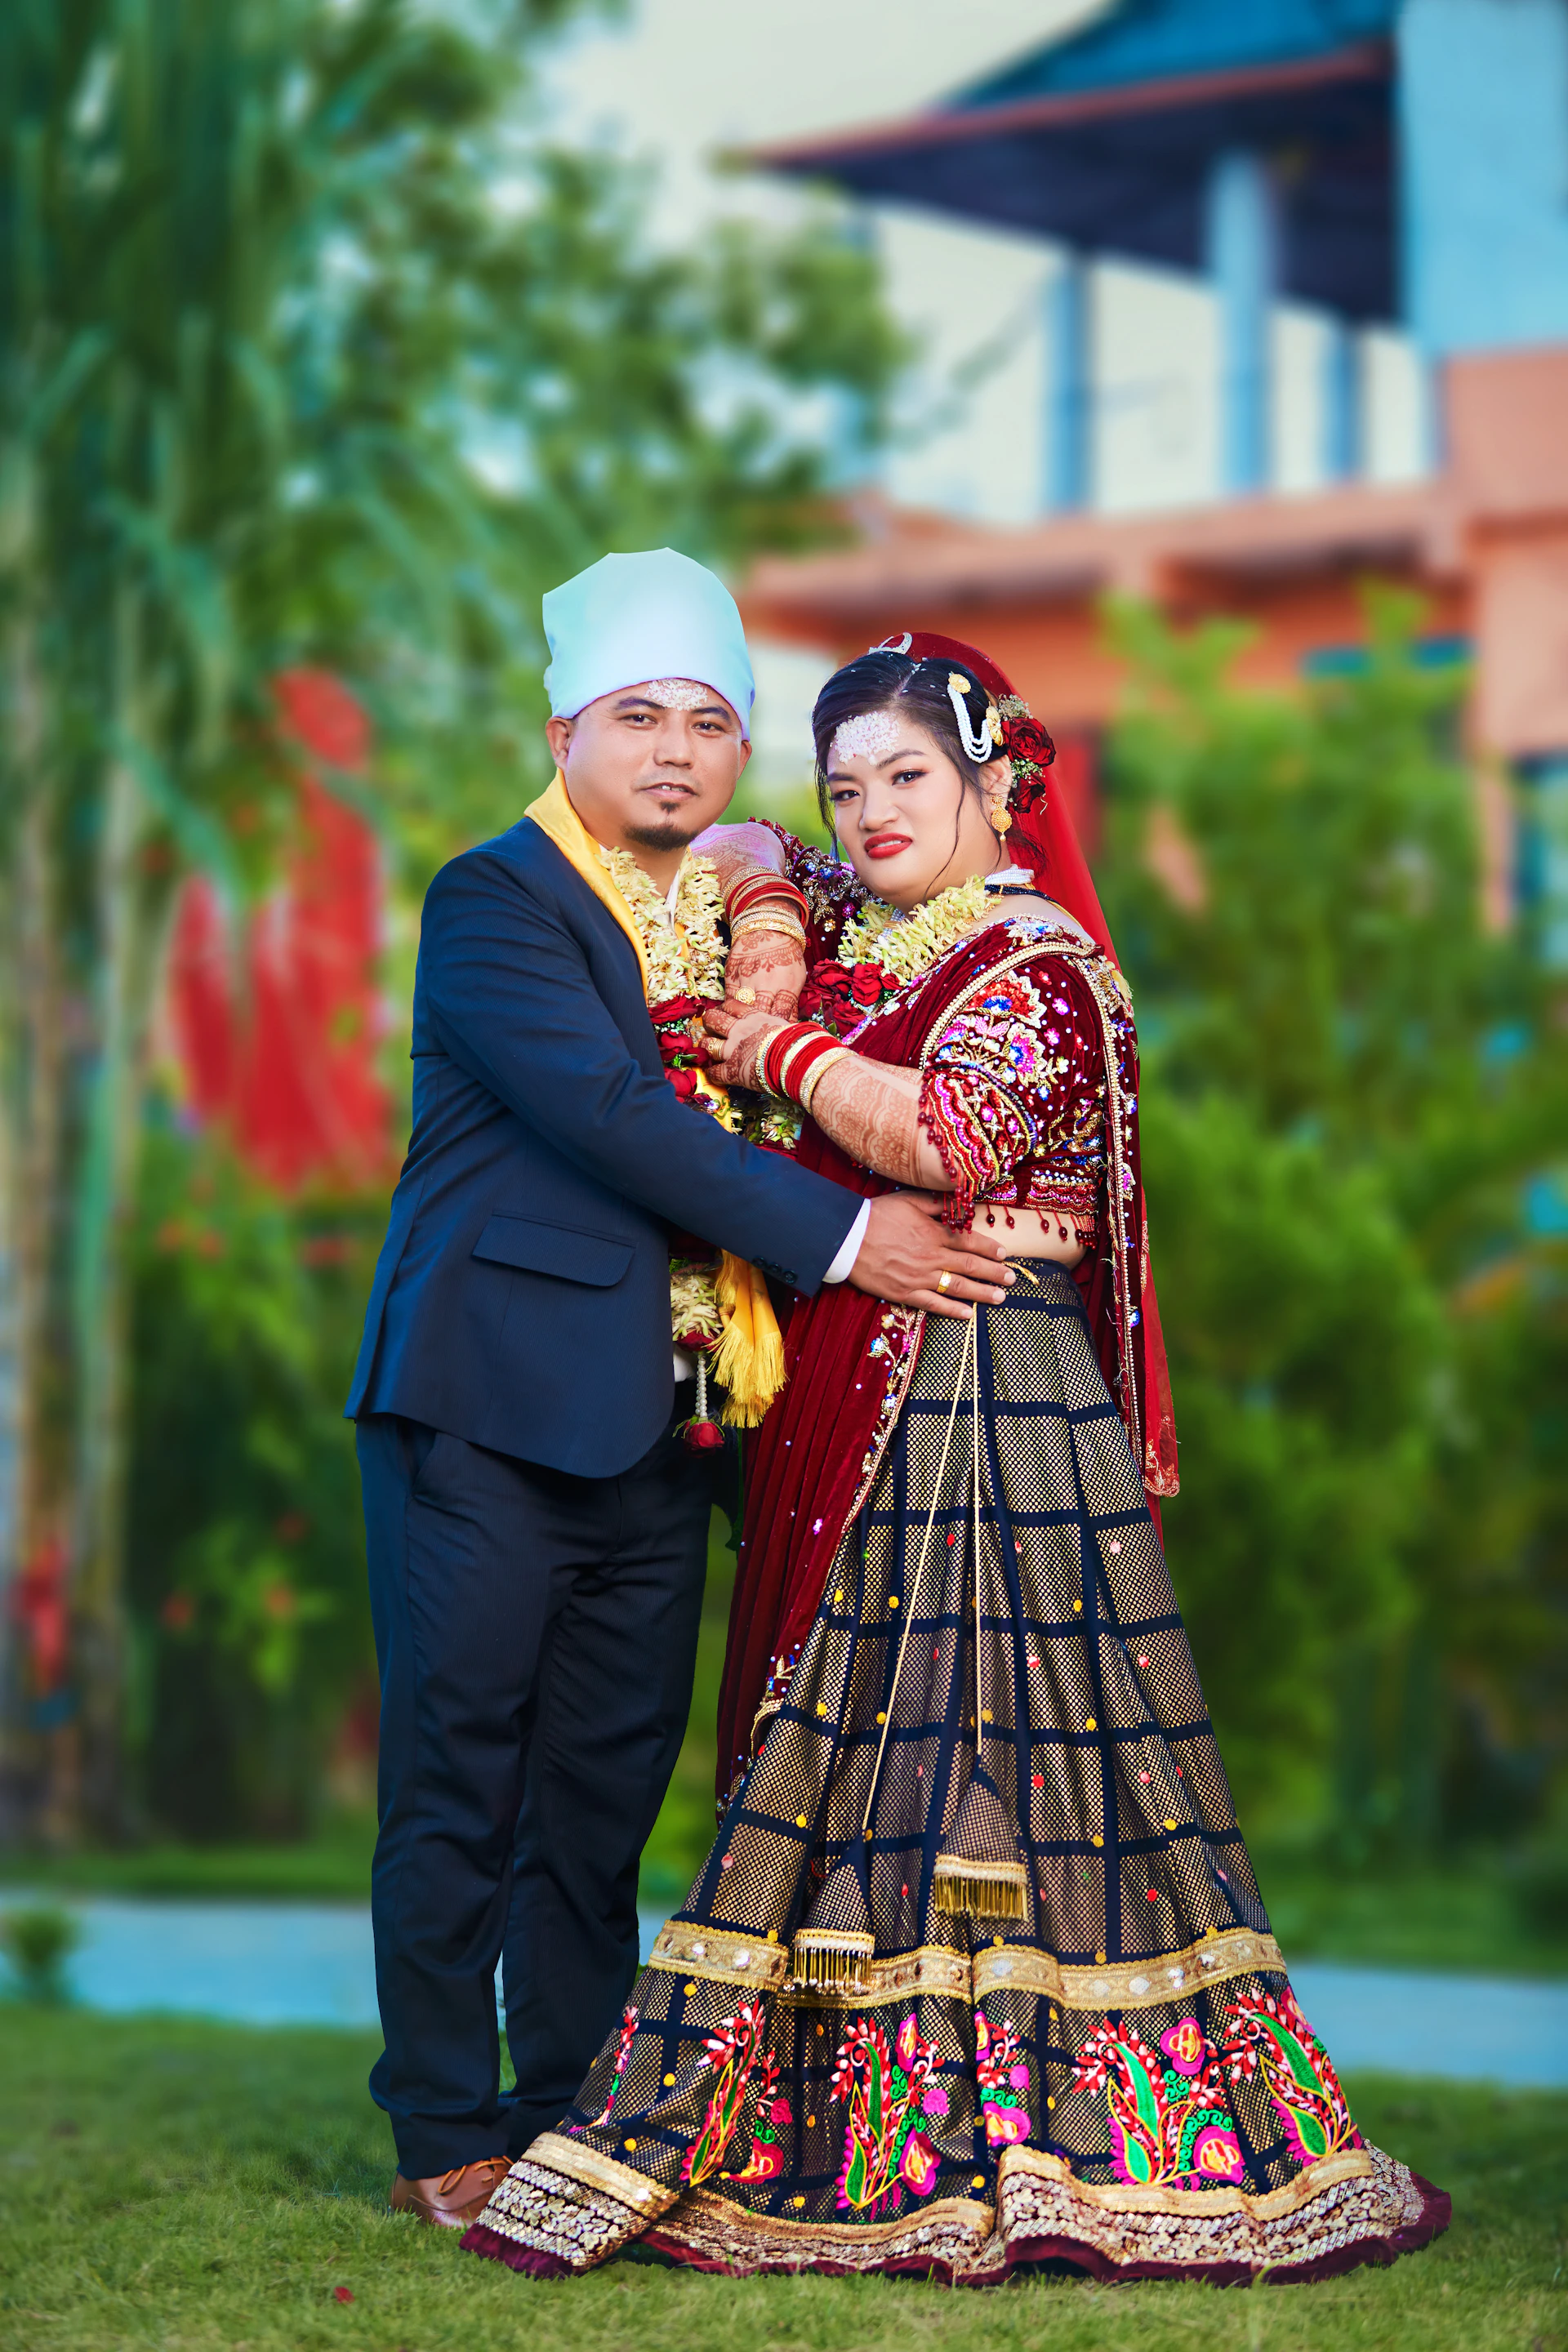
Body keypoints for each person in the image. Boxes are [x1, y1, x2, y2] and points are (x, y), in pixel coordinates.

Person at [464, 633, 1450, 2283]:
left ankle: (1035, 2119)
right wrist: (778, 921)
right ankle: (856, 2112)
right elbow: (733, 845)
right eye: (846, 785)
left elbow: (951, 1140)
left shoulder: (1037, 963)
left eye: (907, 777)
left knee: (998, 1746)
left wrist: (766, 1048)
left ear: (997, 785)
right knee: (869, 1753)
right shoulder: (872, 929)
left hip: (999, 1398)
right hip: (874, 1381)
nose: (867, 812)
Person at [347, 564, 1014, 2229]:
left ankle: (569, 2106)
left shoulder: (731, 912)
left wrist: (774, 903)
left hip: (672, 1422)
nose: (675, 754)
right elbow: (613, 1118)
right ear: (564, 729)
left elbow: (814, 881)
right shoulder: (494, 900)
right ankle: (442, 2126)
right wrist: (857, 1234)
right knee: (460, 1778)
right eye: (638, 719)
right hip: (488, 1411)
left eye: (711, 724)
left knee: (600, 1793)